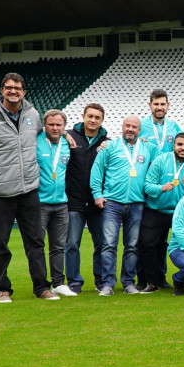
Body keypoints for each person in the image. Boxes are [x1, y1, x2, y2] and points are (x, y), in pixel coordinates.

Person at [0, 72, 56, 302]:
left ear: (24, 92)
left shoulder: (33, 115)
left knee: (35, 242)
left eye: (17, 88)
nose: (13, 91)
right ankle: (2, 289)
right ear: (2, 90)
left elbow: (46, 136)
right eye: (8, 87)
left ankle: (42, 288)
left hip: (29, 191)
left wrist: (66, 136)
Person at [90, 116, 160, 295]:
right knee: (108, 245)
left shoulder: (149, 148)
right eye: (128, 126)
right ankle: (107, 284)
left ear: (139, 130)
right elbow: (97, 170)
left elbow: (165, 161)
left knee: (132, 246)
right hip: (112, 203)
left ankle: (128, 282)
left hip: (137, 204)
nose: (130, 129)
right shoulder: (110, 147)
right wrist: (97, 194)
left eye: (134, 127)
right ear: (122, 127)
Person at [138, 133, 184, 293]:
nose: (183, 148)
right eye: (180, 144)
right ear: (173, 145)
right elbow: (147, 185)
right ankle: (153, 282)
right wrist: (161, 188)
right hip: (157, 210)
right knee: (148, 244)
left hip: (181, 214)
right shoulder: (161, 160)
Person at [64, 103, 110, 294]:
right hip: (73, 200)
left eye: (97, 117)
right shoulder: (69, 136)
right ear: (83, 116)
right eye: (90, 116)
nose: (93, 120)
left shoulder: (107, 142)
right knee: (72, 243)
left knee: (101, 243)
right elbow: (44, 131)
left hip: (97, 202)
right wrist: (63, 134)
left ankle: (100, 280)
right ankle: (74, 281)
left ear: (102, 120)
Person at [37, 109, 76, 297]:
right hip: (38, 203)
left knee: (58, 246)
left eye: (58, 125)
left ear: (64, 127)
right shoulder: (35, 140)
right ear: (44, 125)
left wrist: (67, 135)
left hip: (61, 203)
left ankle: (58, 283)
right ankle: (40, 285)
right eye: (51, 124)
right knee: (37, 245)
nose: (54, 128)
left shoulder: (68, 144)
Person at [139, 89, 181, 154]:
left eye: (162, 104)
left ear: (168, 105)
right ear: (150, 105)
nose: (159, 108)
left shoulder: (174, 126)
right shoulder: (140, 125)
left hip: (169, 164)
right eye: (156, 104)